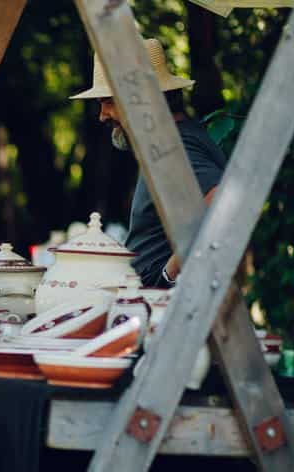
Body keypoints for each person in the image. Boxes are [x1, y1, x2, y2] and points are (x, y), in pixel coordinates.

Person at [71, 37, 226, 287]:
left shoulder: (176, 145)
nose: (102, 116)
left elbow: (223, 203)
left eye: (108, 102)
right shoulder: (171, 142)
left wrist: (168, 274)